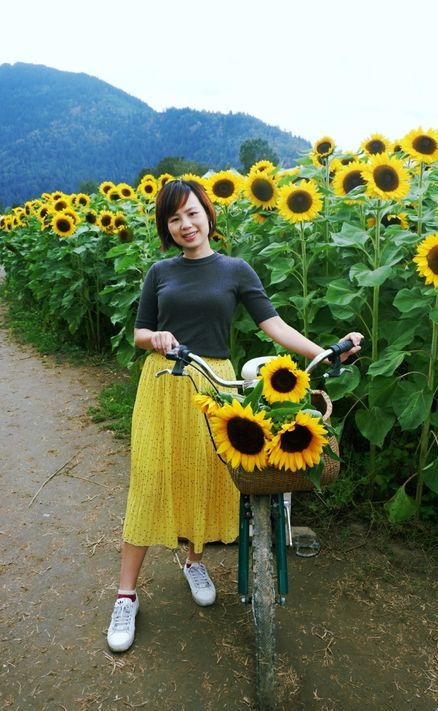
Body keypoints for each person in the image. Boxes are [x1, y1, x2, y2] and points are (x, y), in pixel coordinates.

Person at [107, 179, 362, 652]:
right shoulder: (160, 272)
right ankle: (126, 594)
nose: (186, 225)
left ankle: (193, 560)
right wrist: (157, 337)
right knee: (150, 479)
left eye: (192, 213)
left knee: (204, 474)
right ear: (167, 228)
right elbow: (139, 332)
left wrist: (326, 354)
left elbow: (274, 324)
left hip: (213, 379)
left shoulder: (236, 270)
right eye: (174, 219)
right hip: (165, 380)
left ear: (207, 212)